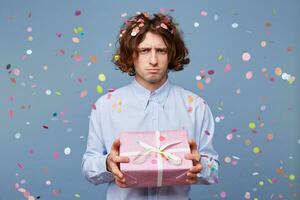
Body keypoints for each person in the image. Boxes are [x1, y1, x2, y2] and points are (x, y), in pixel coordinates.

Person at [81, 12, 219, 200]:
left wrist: (200, 164)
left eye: (161, 51)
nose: (153, 60)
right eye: (144, 50)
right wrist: (107, 163)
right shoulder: (106, 106)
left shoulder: (196, 107)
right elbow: (88, 166)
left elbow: (213, 169)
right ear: (131, 54)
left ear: (171, 54)